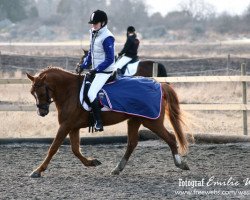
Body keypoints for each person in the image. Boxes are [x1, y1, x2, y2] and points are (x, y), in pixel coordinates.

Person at [76, 10, 115, 132]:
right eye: (92, 23)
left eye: (95, 23)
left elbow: (110, 59)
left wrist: (95, 70)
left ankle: (99, 122)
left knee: (91, 94)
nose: (93, 25)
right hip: (97, 71)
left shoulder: (107, 37)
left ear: (103, 23)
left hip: (105, 72)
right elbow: (91, 55)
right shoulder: (94, 33)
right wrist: (83, 65)